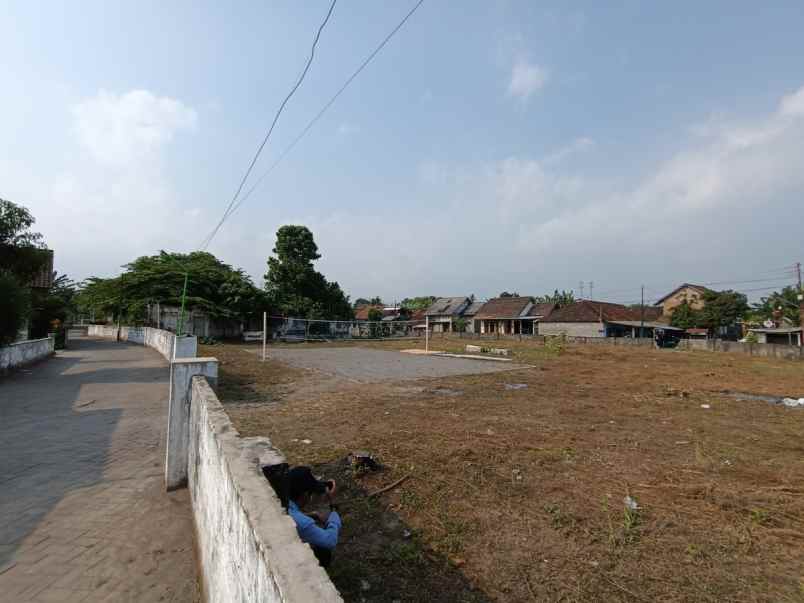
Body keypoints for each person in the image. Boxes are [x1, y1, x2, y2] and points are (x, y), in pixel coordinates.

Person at [286, 466, 342, 567]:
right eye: (311, 493)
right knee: (323, 551)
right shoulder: (302, 522)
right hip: (290, 563)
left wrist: (311, 515)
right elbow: (330, 541)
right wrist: (334, 514)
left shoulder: (280, 501)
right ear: (305, 495)